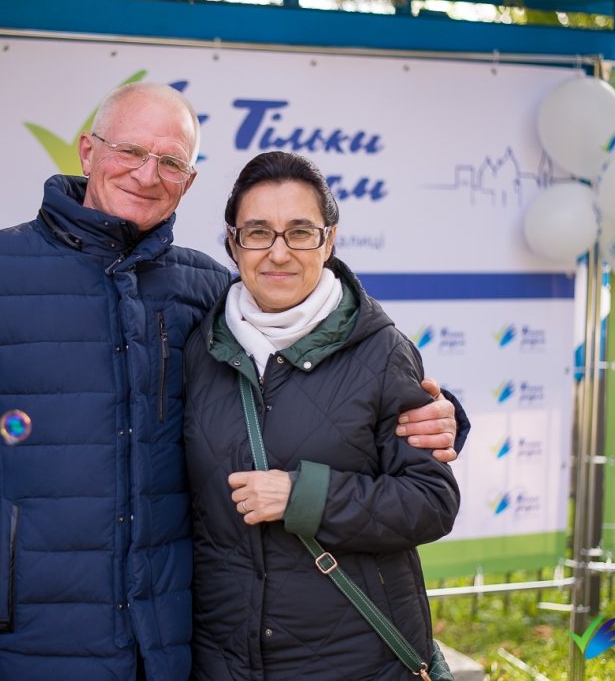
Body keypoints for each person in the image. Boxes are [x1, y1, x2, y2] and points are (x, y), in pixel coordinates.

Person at [0, 83, 464, 681]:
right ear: (87, 151)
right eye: (130, 151)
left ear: (189, 180)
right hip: (25, 643)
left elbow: (306, 371)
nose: (147, 174)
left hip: (168, 646)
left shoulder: (205, 291)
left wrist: (441, 415)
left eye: (170, 161)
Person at [183, 151, 464, 679]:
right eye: (258, 233)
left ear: (329, 240)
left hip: (355, 661)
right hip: (226, 660)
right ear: (233, 243)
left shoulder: (381, 351)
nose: (279, 253)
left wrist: (303, 496)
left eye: (300, 232)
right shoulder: (201, 348)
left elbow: (431, 502)